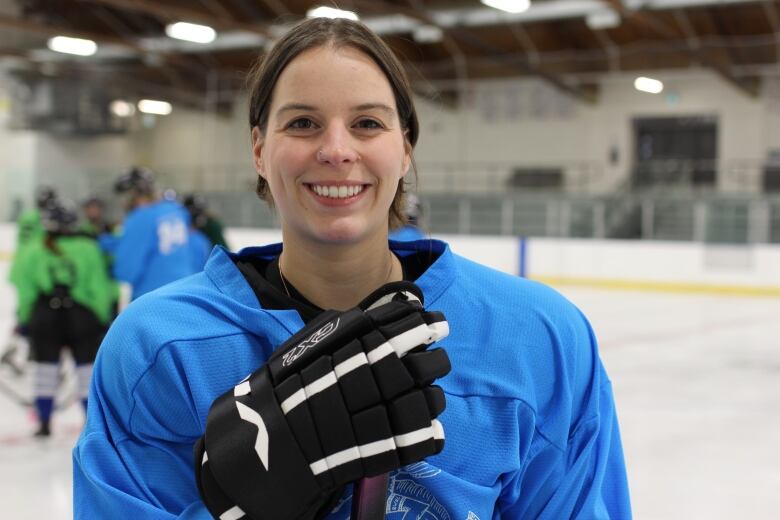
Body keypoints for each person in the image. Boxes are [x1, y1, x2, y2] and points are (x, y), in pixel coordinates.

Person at [73, 17, 631, 519]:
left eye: (367, 123)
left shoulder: (540, 336)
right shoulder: (158, 349)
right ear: (258, 149)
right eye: (302, 124)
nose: (337, 150)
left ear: (405, 148)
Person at [13, 201, 113, 437]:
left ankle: (44, 423)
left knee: (44, 372)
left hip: (45, 317)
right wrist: (102, 318)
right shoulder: (88, 248)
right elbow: (100, 287)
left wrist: (25, 319)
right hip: (81, 317)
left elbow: (24, 287)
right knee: (86, 372)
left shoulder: (33, 249)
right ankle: (93, 427)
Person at [106, 167, 199, 300]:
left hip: (153, 297)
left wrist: (110, 268)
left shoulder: (141, 217)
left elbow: (127, 270)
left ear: (133, 194)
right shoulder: (176, 211)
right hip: (185, 290)